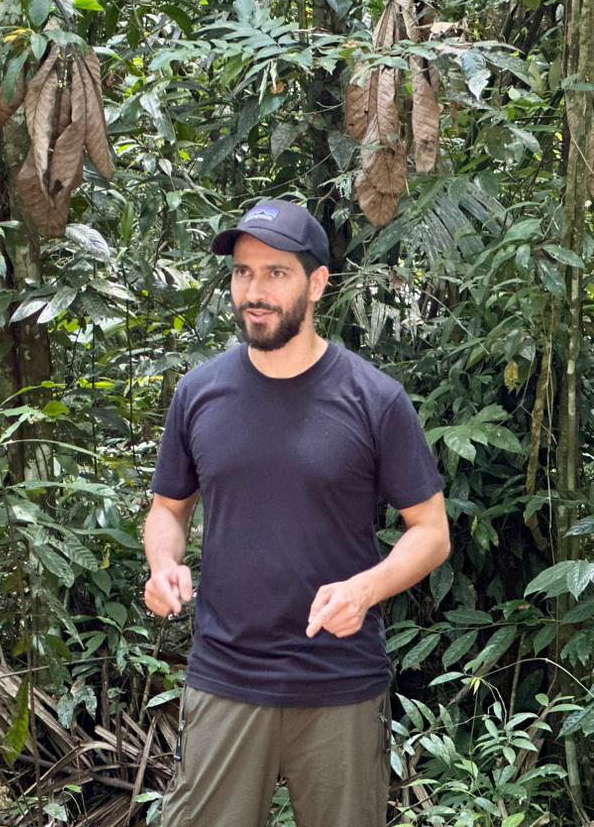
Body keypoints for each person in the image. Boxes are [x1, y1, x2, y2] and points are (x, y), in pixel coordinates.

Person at [143, 198, 450, 827]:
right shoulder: (199, 393)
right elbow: (167, 509)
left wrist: (365, 591)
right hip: (226, 675)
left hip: (338, 681)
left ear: (316, 284)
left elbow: (432, 533)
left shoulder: (375, 400)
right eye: (242, 272)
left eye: (275, 273)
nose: (254, 291)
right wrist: (162, 562)